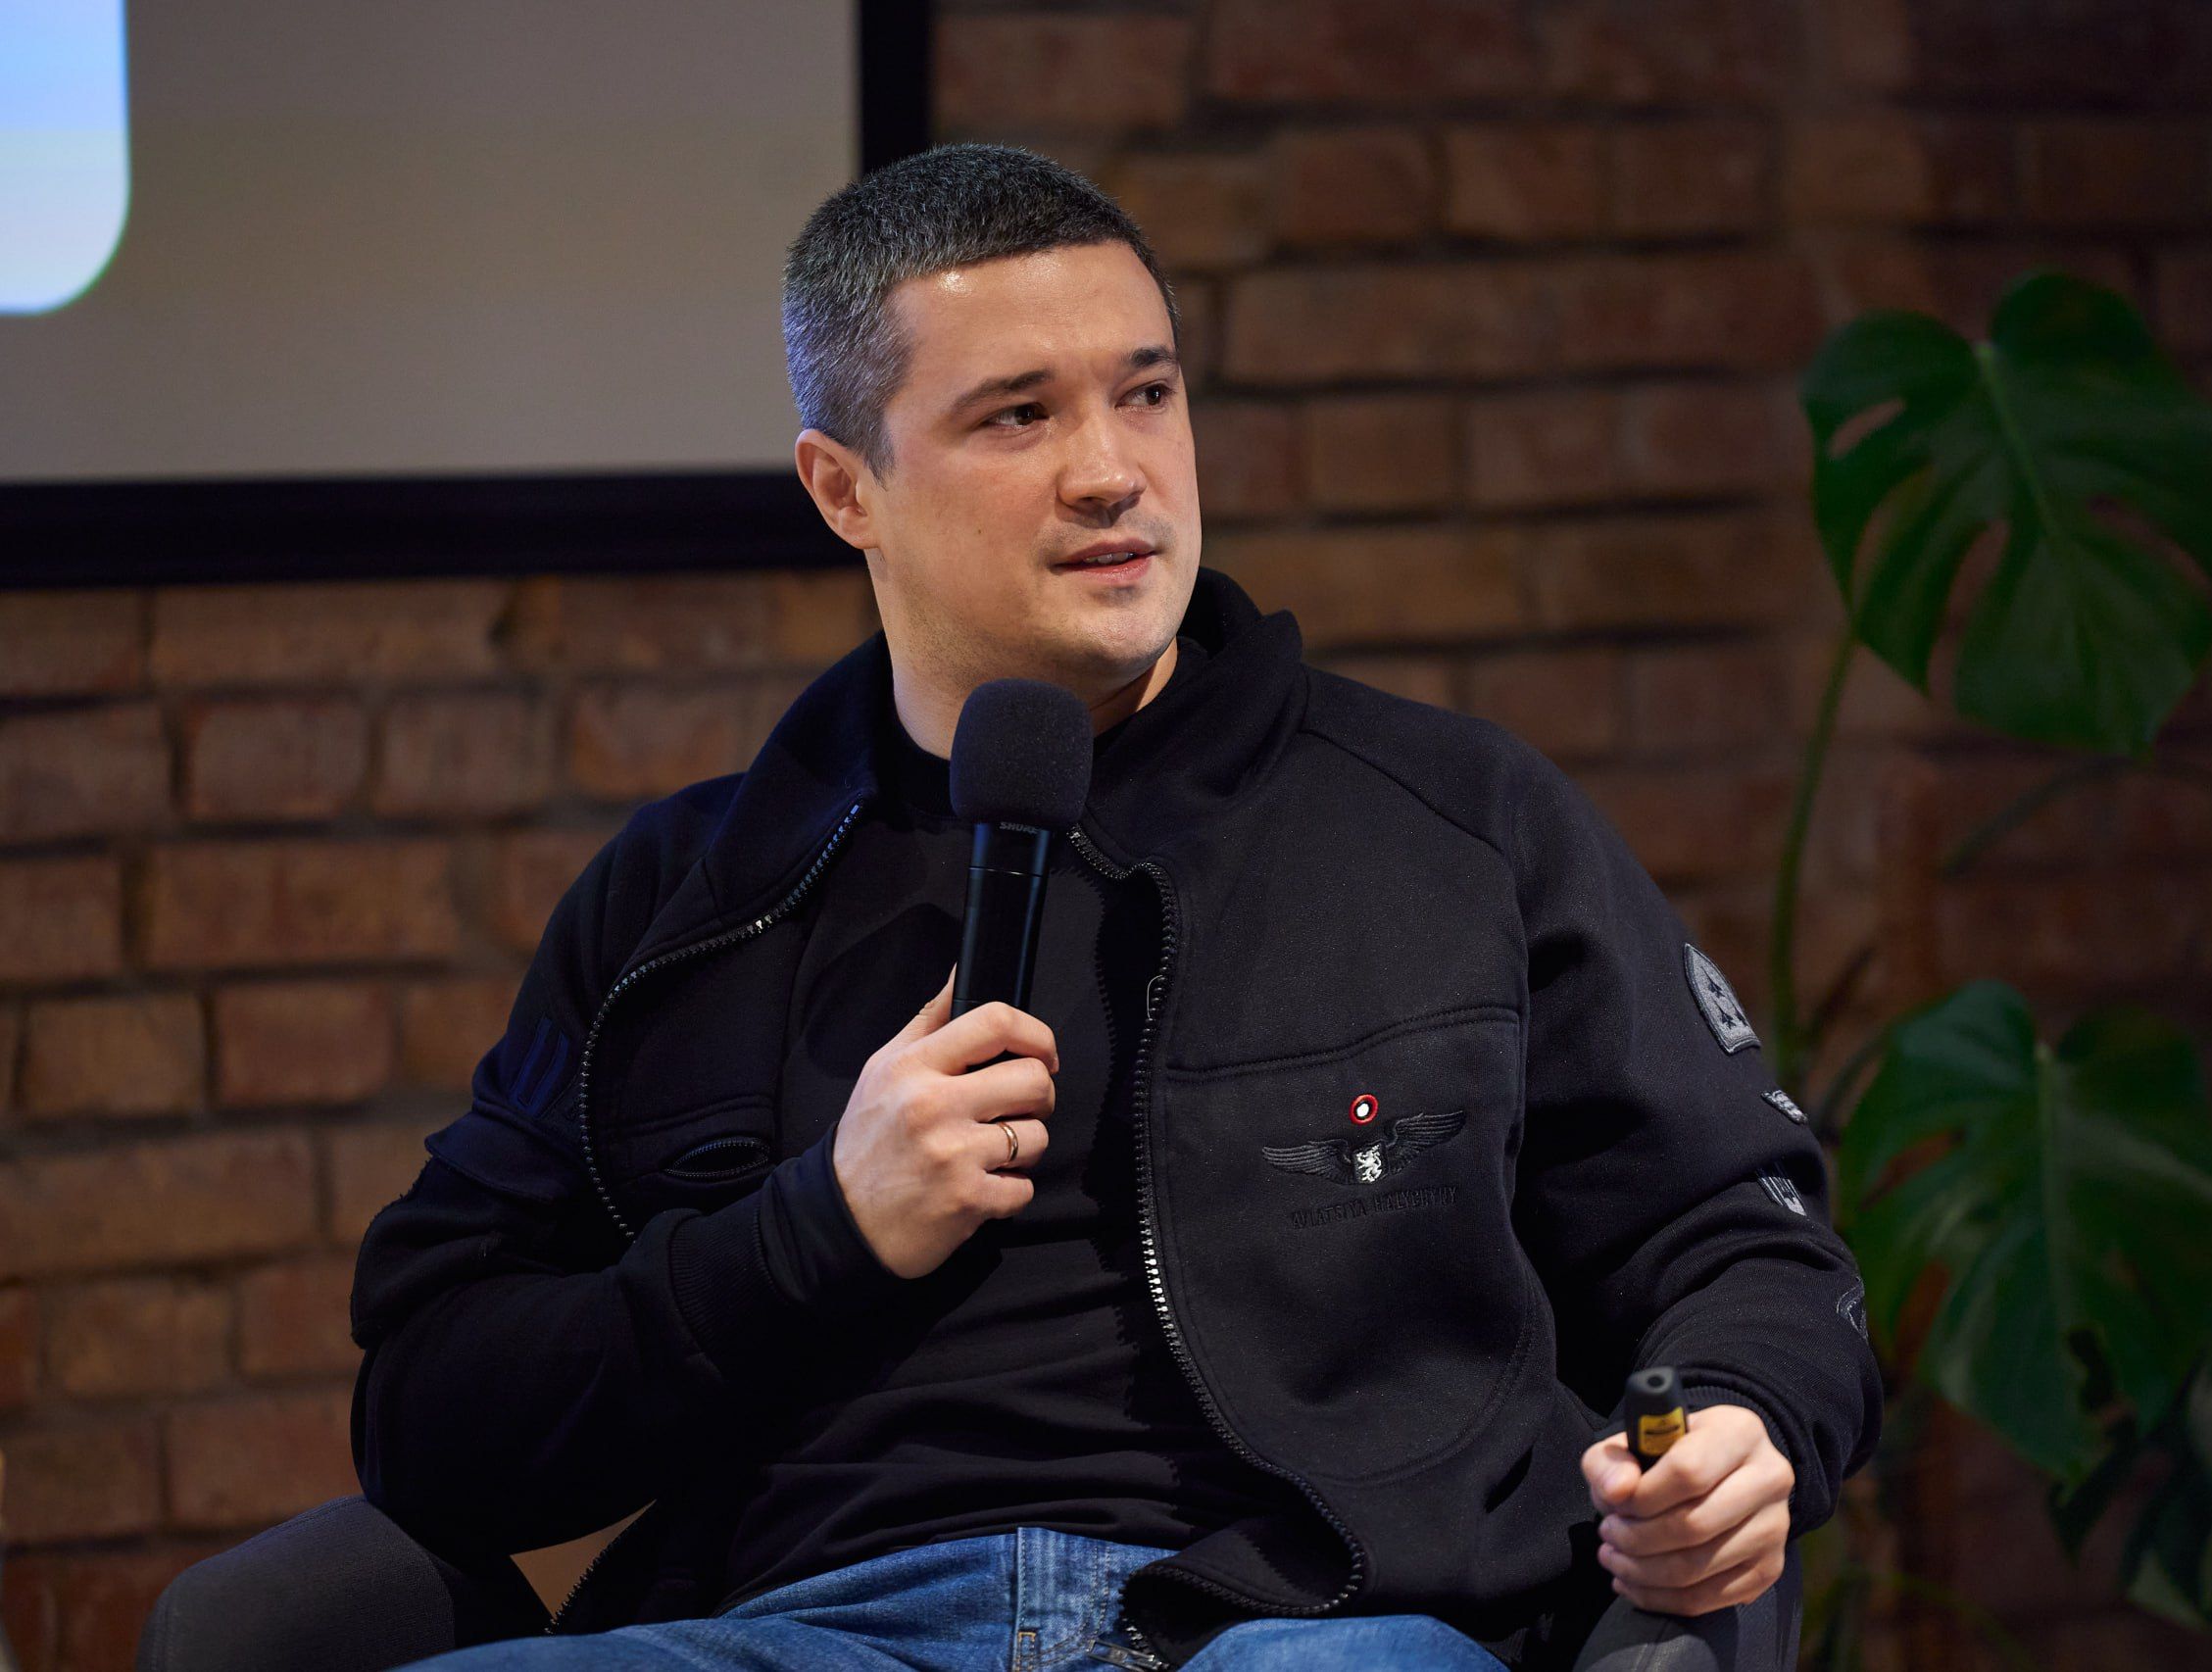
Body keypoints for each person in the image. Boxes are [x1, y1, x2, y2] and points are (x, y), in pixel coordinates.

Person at [353, 142, 1882, 1672]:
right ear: (845, 488)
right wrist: (815, 1228)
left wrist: (1742, 1421)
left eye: (1145, 393)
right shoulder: (694, 902)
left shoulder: (1455, 823)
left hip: (1301, 1621)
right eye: (1018, 414)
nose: (1110, 470)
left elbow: (1745, 1241)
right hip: (813, 1626)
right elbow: (432, 1410)